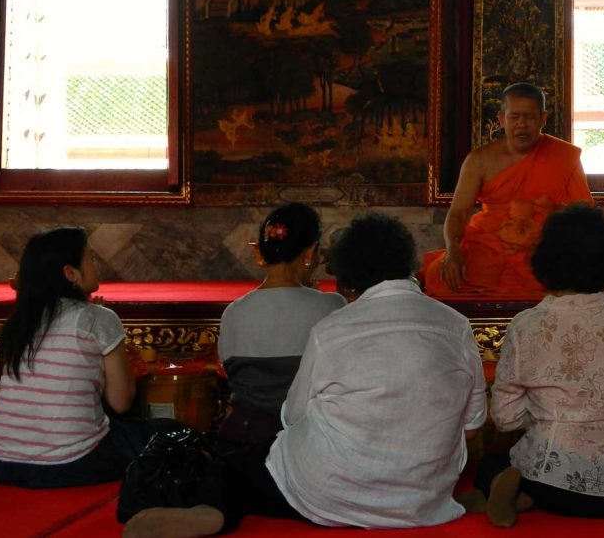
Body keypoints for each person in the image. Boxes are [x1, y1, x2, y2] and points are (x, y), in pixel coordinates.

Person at [122, 212, 487, 536]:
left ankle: (214, 511)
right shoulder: (456, 325)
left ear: (350, 274)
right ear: (408, 263)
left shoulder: (333, 328)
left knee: (232, 469)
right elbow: (473, 423)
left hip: (327, 490)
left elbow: (293, 415)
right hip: (422, 498)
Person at [461, 205, 604, 527]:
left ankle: (509, 489)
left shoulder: (527, 325)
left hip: (552, 483)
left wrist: (551, 417)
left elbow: (506, 418)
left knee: (492, 464)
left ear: (546, 259)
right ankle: (520, 494)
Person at [0, 227, 181, 485]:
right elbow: (121, 401)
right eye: (91, 257)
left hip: (5, 461)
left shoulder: (20, 322)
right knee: (168, 433)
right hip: (72, 464)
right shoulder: (99, 319)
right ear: (71, 273)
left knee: (36, 436)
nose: (96, 263)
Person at [422, 82, 592, 296]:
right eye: (514, 117)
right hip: (488, 248)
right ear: (502, 119)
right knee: (440, 277)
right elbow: (458, 213)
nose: (522, 124)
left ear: (543, 119)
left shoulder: (565, 157)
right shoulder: (479, 160)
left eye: (530, 117)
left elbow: (584, 216)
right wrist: (452, 251)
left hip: (542, 251)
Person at [217, 203, 345, 447]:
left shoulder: (234, 311)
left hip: (242, 439)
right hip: (305, 441)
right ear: (310, 253)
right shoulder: (330, 306)